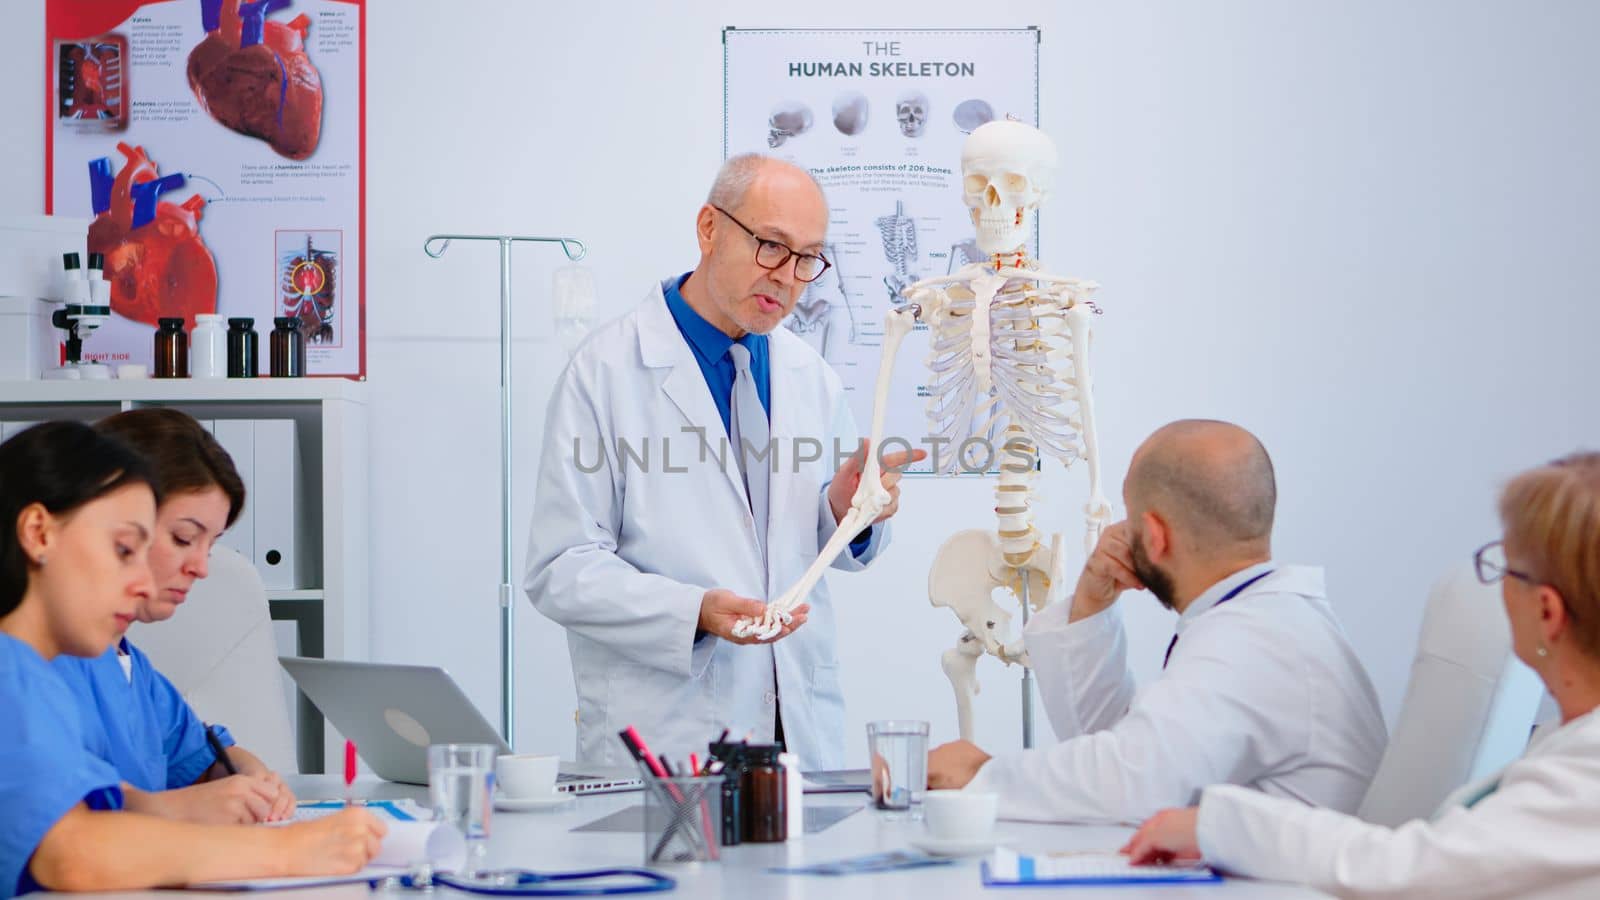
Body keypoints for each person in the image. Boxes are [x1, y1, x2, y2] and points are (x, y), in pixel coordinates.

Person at [525, 154, 925, 768]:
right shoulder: (604, 371)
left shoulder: (807, 374)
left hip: (794, 728)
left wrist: (850, 510)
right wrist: (696, 612)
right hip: (669, 732)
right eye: (771, 246)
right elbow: (561, 568)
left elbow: (823, 544)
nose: (789, 277)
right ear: (709, 228)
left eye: (808, 258)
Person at [1125, 451, 1600, 898]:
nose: (1498, 590)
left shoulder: (1584, 779)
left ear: (1547, 611)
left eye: (1505, 571)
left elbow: (1409, 873)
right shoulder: (1567, 742)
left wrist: (1218, 826)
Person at [926, 419, 1387, 823]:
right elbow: (1120, 742)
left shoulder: (1251, 642)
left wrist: (981, 775)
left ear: (1154, 535)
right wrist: (1091, 603)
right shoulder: (1266, 618)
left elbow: (1131, 781)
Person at [0, 422, 383, 898]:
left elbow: (114, 798)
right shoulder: (15, 672)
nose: (143, 582)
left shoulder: (47, 672)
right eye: (124, 549)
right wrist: (289, 853)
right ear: (38, 533)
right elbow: (71, 850)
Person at [50, 408, 292, 824]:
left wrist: (250, 778)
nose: (201, 567)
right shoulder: (41, 659)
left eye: (210, 545)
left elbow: (201, 757)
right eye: (183, 538)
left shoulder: (134, 671)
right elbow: (67, 824)